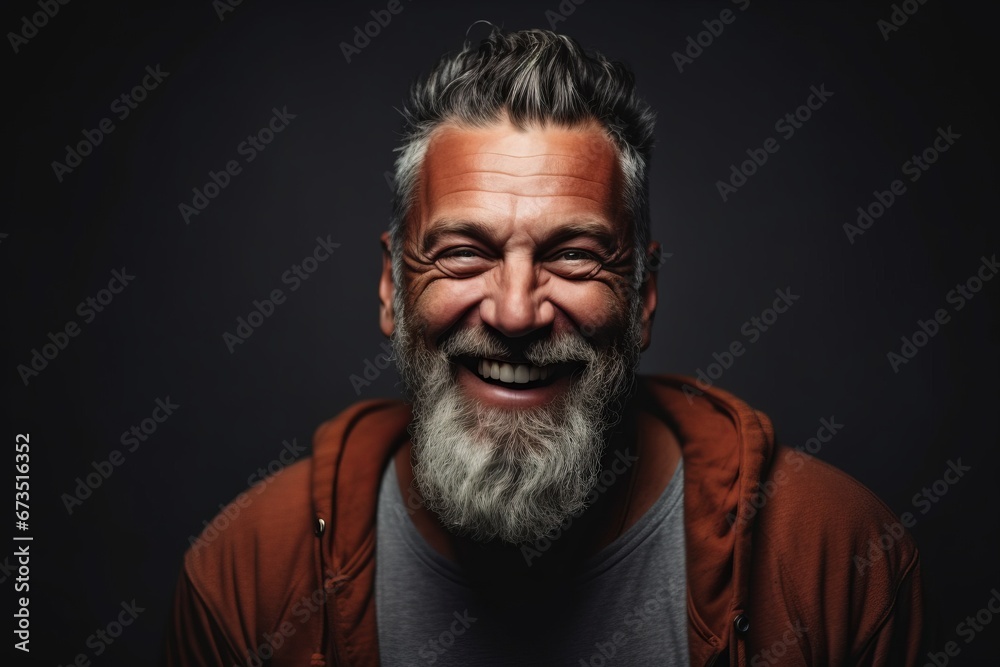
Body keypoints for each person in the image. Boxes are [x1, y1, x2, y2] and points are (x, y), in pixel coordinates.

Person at [163, 27, 923, 666]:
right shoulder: (248, 577)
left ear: (642, 294)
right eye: (463, 252)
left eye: (573, 255)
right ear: (393, 287)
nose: (517, 312)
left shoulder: (834, 558)